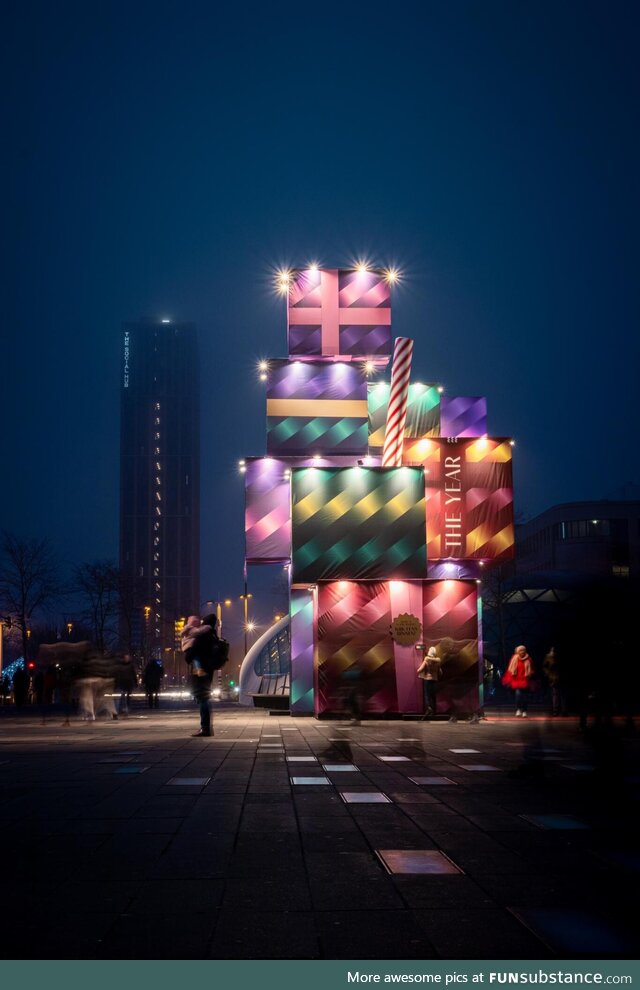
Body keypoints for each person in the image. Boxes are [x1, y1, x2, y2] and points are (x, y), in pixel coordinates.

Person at [185, 612, 220, 737]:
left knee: (202, 697)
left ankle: (205, 728)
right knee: (204, 696)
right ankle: (206, 727)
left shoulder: (203, 636)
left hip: (200, 671)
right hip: (208, 670)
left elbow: (193, 652)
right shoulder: (213, 635)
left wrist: (188, 656)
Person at [501, 645, 535, 717]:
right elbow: (510, 670)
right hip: (516, 681)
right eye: (520, 650)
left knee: (525, 697)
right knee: (518, 695)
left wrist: (530, 674)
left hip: (525, 680)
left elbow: (532, 669)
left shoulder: (529, 659)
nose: (522, 652)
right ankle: (519, 709)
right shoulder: (514, 658)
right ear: (517, 651)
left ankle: (524, 711)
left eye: (523, 650)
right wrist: (508, 680)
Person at [417, 646, 442, 719]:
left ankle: (428, 707)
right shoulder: (437, 662)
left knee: (427, 695)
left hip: (427, 680)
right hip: (435, 680)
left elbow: (420, 670)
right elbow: (440, 672)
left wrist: (418, 670)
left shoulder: (426, 660)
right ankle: (434, 711)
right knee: (433, 696)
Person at [542, 646, 564, 716]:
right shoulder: (549, 657)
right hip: (553, 678)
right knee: (555, 694)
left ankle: (563, 710)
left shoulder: (559, 657)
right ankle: (555, 711)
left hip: (561, 678)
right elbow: (545, 666)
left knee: (562, 695)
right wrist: (548, 674)